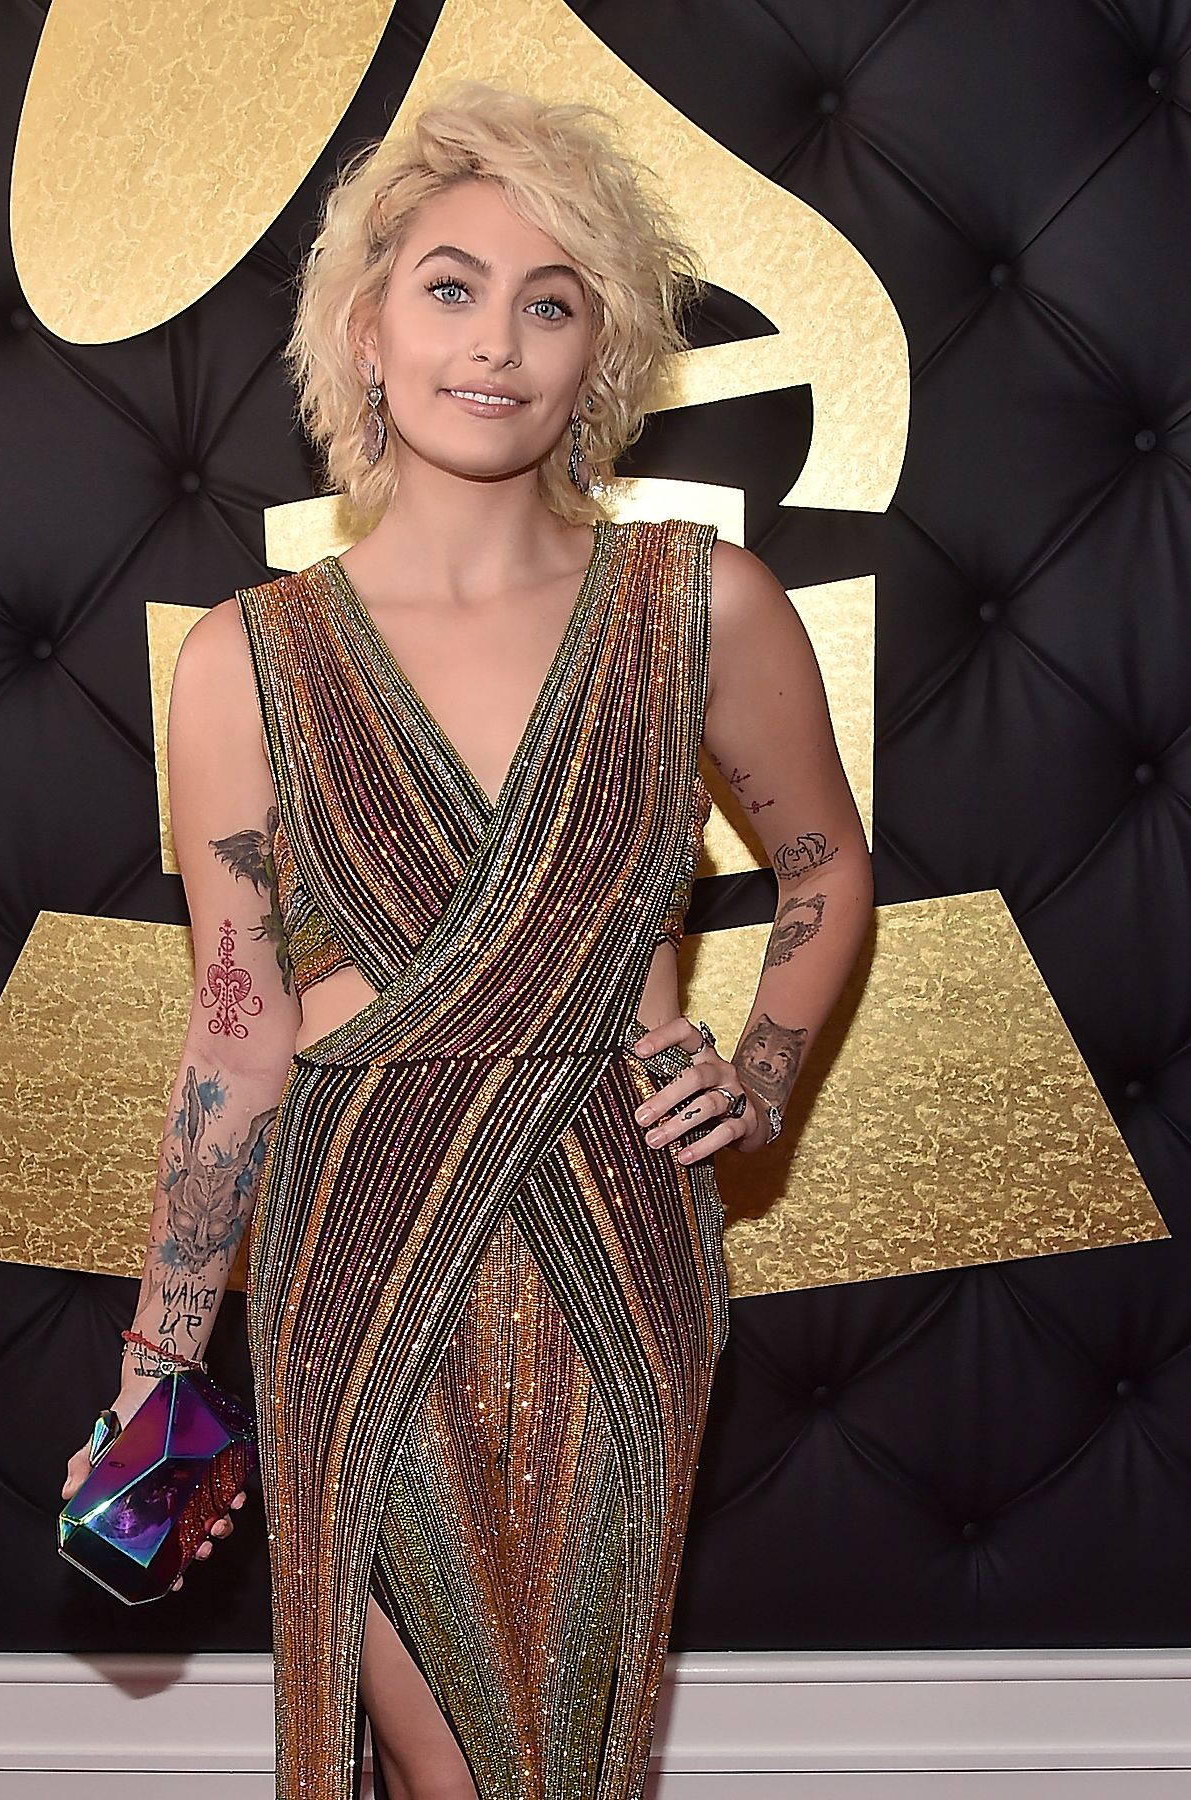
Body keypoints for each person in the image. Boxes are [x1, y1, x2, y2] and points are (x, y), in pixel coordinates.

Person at [63, 80, 872, 1800]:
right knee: (453, 1772)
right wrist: (155, 1364)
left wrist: (761, 1074)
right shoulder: (243, 661)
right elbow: (235, 1033)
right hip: (352, 1244)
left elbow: (821, 872)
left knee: (559, 1761)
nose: (494, 341)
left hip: (612, 1234)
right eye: (449, 288)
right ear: (365, 332)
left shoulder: (700, 605)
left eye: (549, 302)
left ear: (601, 357)